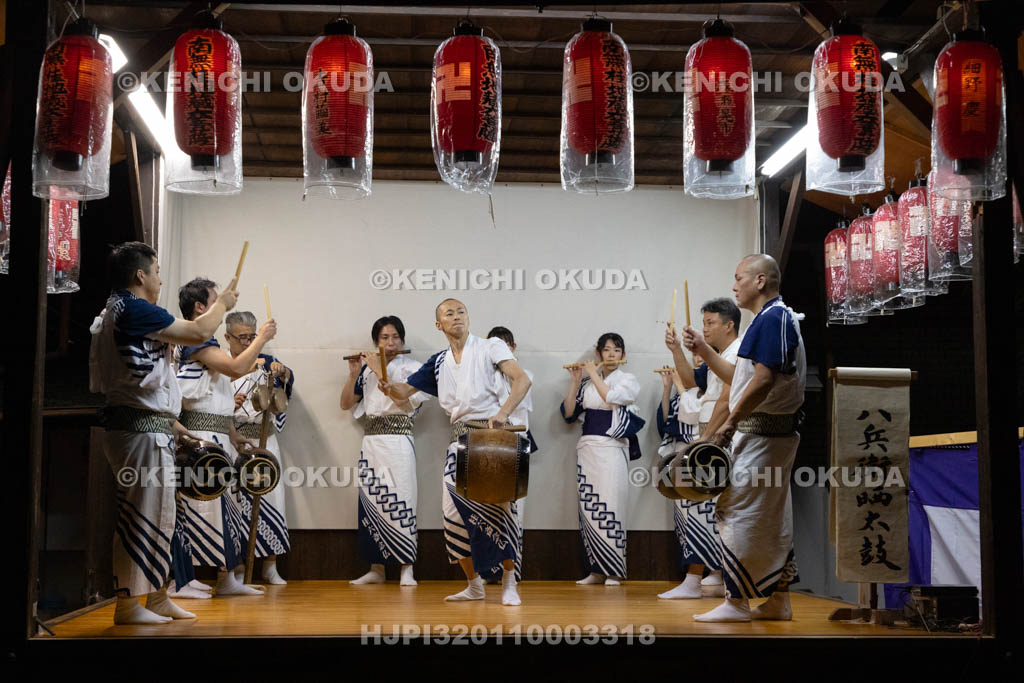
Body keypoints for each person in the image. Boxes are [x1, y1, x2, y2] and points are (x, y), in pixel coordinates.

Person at [88, 242, 237, 624]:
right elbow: (198, 331)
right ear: (140, 275)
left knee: (160, 515)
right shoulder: (132, 308)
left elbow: (139, 385)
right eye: (156, 271)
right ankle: (127, 605)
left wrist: (176, 427)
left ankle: (155, 596)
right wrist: (223, 304)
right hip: (138, 433)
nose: (159, 277)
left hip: (148, 427)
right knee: (141, 517)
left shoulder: (116, 311)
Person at [380, 299, 532, 606]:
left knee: (500, 512)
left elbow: (522, 380)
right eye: (449, 313)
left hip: (492, 438)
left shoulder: (490, 347)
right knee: (452, 517)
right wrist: (387, 385)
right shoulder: (438, 362)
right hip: (459, 441)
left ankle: (508, 582)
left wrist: (503, 412)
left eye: (461, 311)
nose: (457, 316)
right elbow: (403, 394)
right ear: (439, 325)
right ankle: (473, 584)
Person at [692, 254, 805, 623]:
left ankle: (737, 600)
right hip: (766, 434)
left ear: (760, 281)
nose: (733, 285)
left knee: (738, 510)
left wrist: (729, 423)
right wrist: (703, 350)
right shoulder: (770, 319)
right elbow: (738, 378)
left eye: (738, 277)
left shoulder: (775, 317)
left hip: (762, 433)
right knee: (771, 519)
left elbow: (763, 381)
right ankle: (778, 600)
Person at [174, 278, 277, 596]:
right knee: (196, 509)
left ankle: (225, 578)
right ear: (200, 308)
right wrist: (260, 338)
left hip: (216, 433)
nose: (225, 304)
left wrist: (233, 435)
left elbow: (215, 400)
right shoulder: (194, 341)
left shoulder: (206, 342)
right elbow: (235, 369)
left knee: (225, 509)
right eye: (217, 300)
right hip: (197, 437)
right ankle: (182, 580)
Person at [661, 298, 744, 598]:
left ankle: (700, 580)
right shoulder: (719, 356)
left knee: (701, 506)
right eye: (704, 323)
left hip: (720, 437)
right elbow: (690, 382)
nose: (705, 329)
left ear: (728, 324)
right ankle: (703, 579)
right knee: (699, 507)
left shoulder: (737, 352)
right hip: (709, 434)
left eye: (710, 323)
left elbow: (726, 398)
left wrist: (707, 437)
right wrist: (676, 350)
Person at [339, 315, 430, 587]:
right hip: (371, 443)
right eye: (384, 338)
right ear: (375, 342)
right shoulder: (365, 371)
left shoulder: (414, 369)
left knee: (403, 500)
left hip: (400, 441)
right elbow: (345, 404)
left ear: (402, 340)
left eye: (395, 337)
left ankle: (406, 568)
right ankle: (375, 568)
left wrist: (379, 368)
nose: (390, 343)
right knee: (371, 501)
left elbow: (404, 399)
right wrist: (355, 373)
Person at [561, 333, 644, 586]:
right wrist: (576, 381)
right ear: (598, 354)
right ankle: (596, 570)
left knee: (611, 505)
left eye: (616, 350)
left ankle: (614, 570)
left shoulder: (627, 380)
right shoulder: (587, 384)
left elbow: (612, 397)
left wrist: (593, 375)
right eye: (606, 350)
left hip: (611, 449)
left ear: (622, 355)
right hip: (588, 449)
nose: (611, 354)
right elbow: (568, 413)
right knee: (590, 507)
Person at [227, 310, 294, 586]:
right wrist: (232, 400)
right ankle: (239, 567)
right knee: (237, 501)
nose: (246, 342)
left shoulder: (267, 362)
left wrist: (283, 372)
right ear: (227, 337)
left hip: (265, 440)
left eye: (251, 337)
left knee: (271, 498)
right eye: (241, 337)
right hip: (235, 441)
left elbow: (286, 385)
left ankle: (270, 565)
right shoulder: (221, 365)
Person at [484, 325, 536, 583]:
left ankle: (510, 574)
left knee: (515, 508)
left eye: (506, 346)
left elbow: (517, 405)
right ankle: (487, 570)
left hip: (516, 443)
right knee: (486, 506)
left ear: (512, 348)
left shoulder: (526, 376)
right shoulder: (481, 374)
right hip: (488, 445)